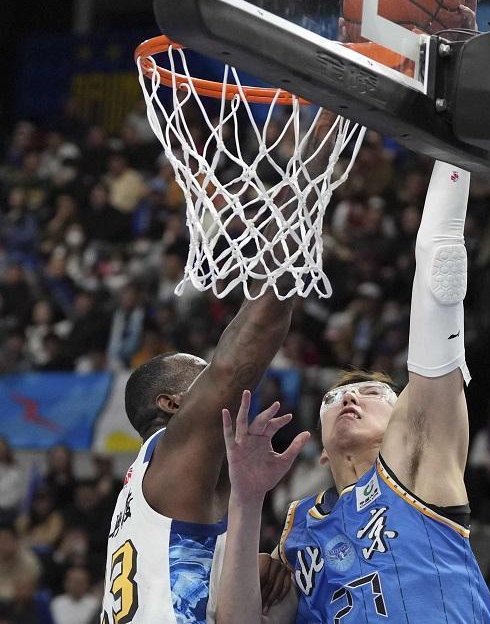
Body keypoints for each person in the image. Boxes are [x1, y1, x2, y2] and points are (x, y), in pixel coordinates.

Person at [216, 161, 490, 623]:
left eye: (372, 393)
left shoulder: (420, 463)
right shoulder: (298, 532)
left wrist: (452, 155)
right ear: (322, 451)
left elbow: (440, 272)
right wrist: (245, 500)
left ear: (402, 419)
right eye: (332, 399)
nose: (348, 398)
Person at [98, 106, 343, 623]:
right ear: (173, 404)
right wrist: (300, 194)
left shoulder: (153, 488)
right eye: (200, 374)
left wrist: (247, 566)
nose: (213, 376)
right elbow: (241, 356)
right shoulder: (174, 448)